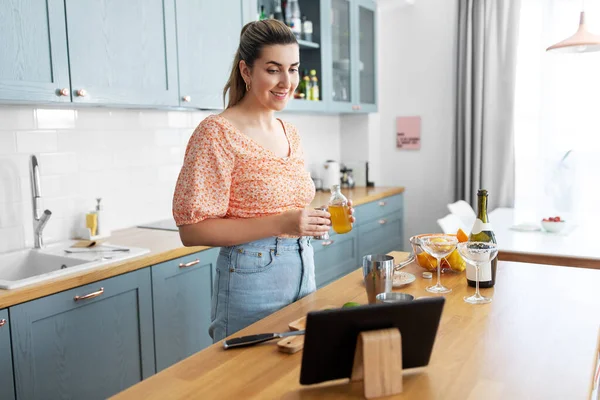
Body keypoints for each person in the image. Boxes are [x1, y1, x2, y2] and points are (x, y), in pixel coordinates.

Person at [172, 19, 355, 342]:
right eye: (273, 70)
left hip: (303, 268)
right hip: (251, 278)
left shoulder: (290, 133)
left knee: (291, 378)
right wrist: (283, 222)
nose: (287, 81)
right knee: (245, 384)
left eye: (294, 69)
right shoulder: (217, 133)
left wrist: (315, 218)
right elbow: (191, 230)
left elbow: (284, 206)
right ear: (246, 71)